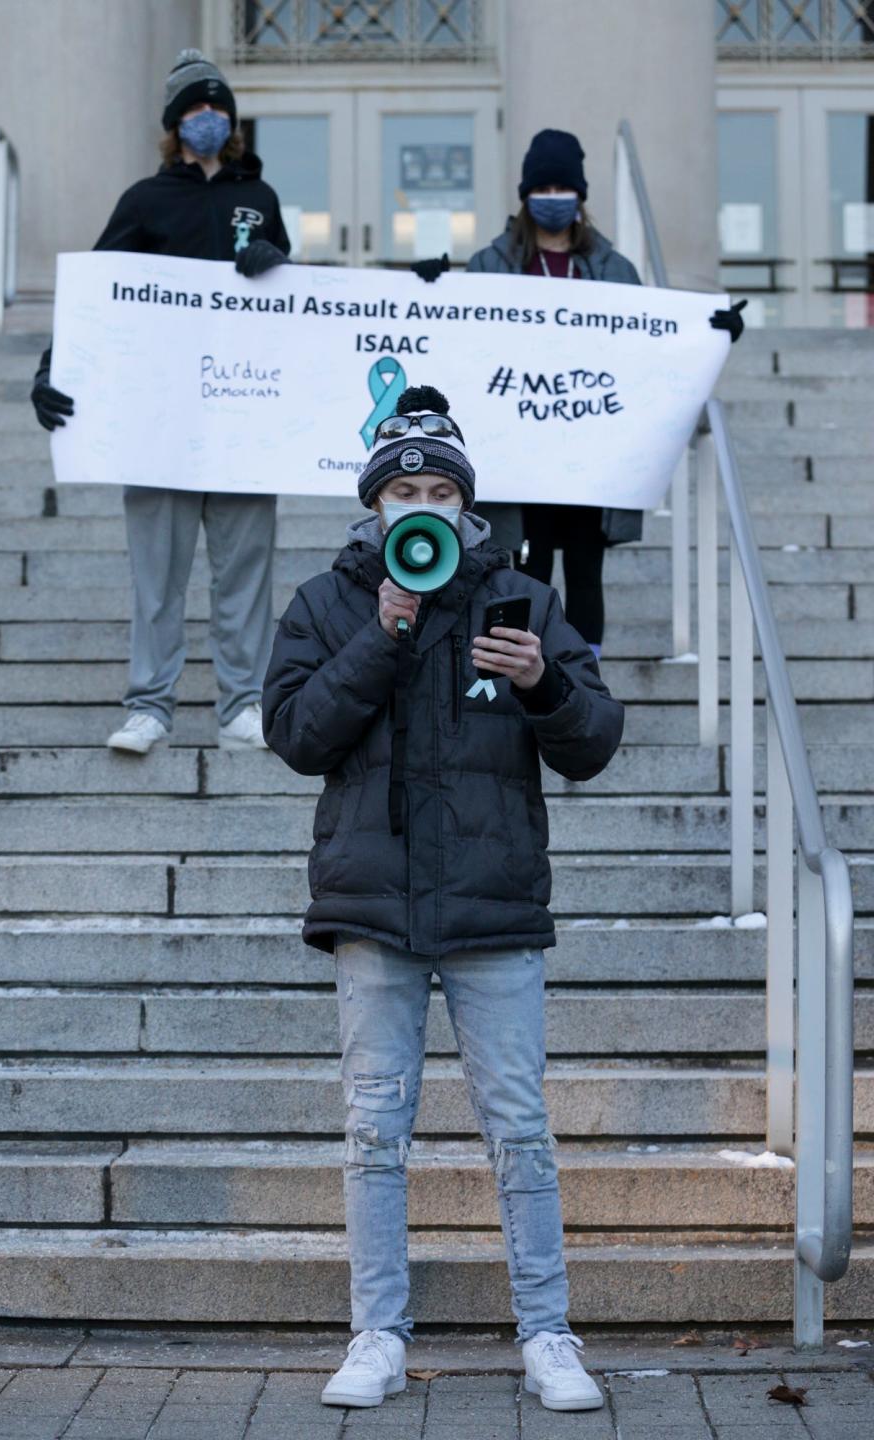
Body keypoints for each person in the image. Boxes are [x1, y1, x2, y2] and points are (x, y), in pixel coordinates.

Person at [262, 384, 624, 1413]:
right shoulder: (328, 602)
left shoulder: (520, 598)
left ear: (466, 505)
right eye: (402, 489)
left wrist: (543, 683)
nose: (419, 503)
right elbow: (294, 736)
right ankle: (376, 1334)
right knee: (376, 1131)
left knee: (518, 1129)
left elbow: (594, 741)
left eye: (438, 489)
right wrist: (383, 632)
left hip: (492, 907)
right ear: (373, 504)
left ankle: (548, 1336)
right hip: (374, 909)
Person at [31, 49, 290, 754]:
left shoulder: (259, 201)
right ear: (175, 125)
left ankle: (243, 705)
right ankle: (150, 706)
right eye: (195, 110)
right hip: (157, 425)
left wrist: (278, 261)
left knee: (245, 571)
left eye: (218, 108)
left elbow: (296, 312)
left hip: (240, 420)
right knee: (158, 577)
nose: (209, 119)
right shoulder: (144, 201)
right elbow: (96, 300)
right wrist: (53, 367)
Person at [414, 128, 745, 660]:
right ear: (524, 196)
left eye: (560, 189)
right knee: (523, 569)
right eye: (540, 189)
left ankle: (583, 678)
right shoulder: (491, 264)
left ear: (581, 195)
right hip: (519, 457)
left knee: (586, 570)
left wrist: (710, 331)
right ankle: (515, 679)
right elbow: (456, 339)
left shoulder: (615, 270)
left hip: (592, 456)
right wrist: (430, 287)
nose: (551, 200)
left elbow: (650, 347)